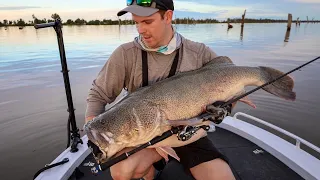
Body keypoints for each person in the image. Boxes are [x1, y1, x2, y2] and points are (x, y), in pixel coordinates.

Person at [85, 0, 236, 179]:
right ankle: (150, 173)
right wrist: (95, 134)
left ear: (168, 16)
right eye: (136, 22)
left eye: (147, 22)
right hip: (144, 139)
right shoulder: (125, 54)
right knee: (121, 170)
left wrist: (226, 107)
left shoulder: (199, 53)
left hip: (190, 135)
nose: (140, 30)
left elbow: (231, 82)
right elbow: (98, 95)